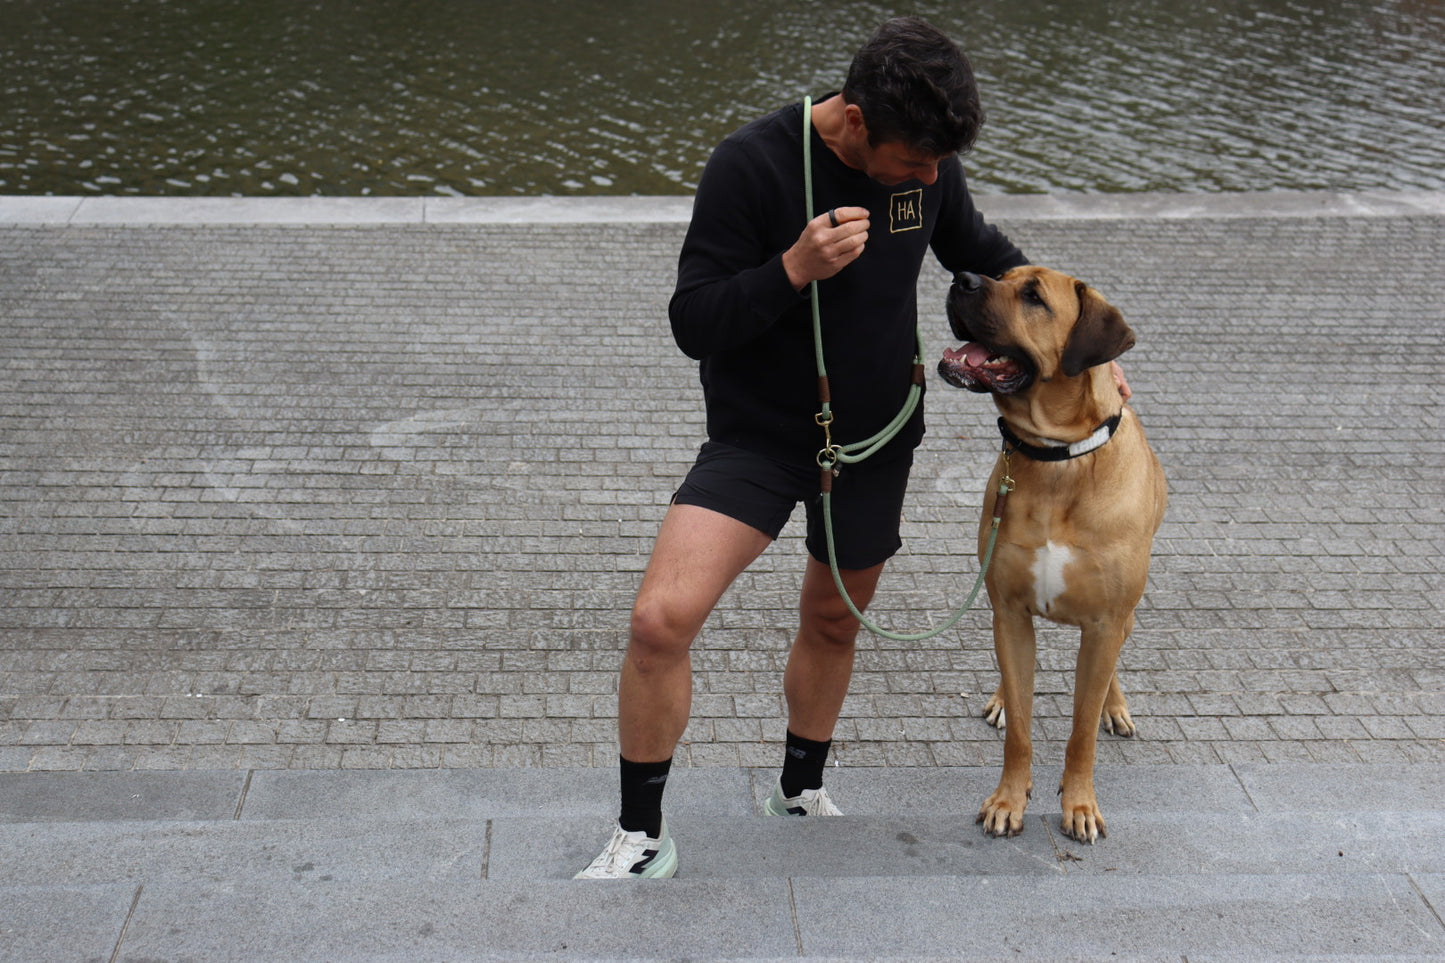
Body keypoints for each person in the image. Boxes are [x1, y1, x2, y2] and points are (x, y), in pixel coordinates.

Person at [576, 16, 1028, 879]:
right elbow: (692, 321)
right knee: (658, 621)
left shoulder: (927, 163)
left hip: (878, 437)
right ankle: (640, 835)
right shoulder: (749, 164)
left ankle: (799, 790)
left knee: (830, 618)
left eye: (937, 164)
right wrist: (791, 268)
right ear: (855, 120)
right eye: (913, 162)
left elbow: (986, 256)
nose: (928, 179)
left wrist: (1083, 346)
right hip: (758, 439)